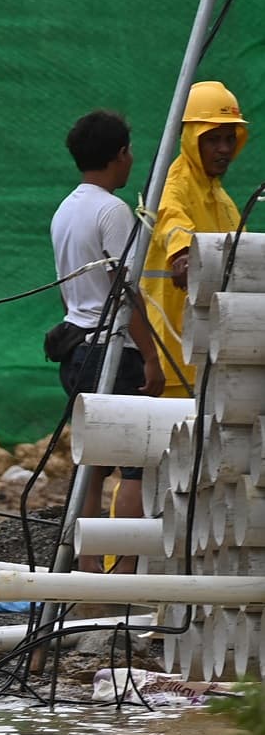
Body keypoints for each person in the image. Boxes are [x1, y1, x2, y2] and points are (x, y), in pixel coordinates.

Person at [51, 110, 167, 522]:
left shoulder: (65, 209)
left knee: (94, 463)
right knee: (138, 462)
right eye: (129, 151)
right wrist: (152, 357)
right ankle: (124, 569)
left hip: (75, 351)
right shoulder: (112, 211)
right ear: (119, 154)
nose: (132, 158)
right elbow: (124, 291)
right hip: (111, 355)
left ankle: (87, 560)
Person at [143, 80, 248, 399]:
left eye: (230, 139)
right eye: (213, 139)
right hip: (175, 356)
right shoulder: (172, 188)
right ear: (190, 139)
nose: (224, 149)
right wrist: (183, 255)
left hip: (213, 354)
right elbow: (172, 224)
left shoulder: (223, 199)